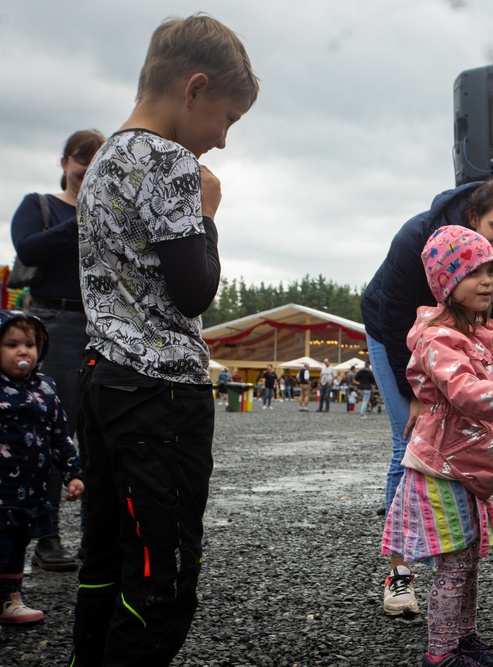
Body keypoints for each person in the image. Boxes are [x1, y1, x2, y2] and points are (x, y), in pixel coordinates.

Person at [71, 13, 258, 666]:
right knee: (163, 578)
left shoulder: (101, 163)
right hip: (161, 394)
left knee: (104, 560)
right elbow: (193, 290)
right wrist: (206, 216)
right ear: (194, 89)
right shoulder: (175, 163)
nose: (223, 141)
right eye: (227, 119)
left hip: (102, 380)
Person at [361, 172, 493, 616]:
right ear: (474, 214)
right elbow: (395, 316)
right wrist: (417, 394)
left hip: (462, 339)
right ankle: (399, 574)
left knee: (470, 436)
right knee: (412, 443)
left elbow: (490, 337)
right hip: (395, 330)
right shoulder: (416, 236)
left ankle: (457, 546)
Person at [382, 226, 493, 666]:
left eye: (492, 271)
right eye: (475, 272)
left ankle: (464, 636)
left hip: (469, 467)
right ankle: (442, 652)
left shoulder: (484, 336)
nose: (490, 281)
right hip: (440, 466)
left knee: (469, 561)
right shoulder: (438, 338)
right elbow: (466, 393)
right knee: (454, 565)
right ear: (446, 282)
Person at [9, 128, 105, 571]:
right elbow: (26, 247)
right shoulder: (39, 205)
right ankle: (47, 540)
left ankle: (95, 537)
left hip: (100, 323)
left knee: (99, 433)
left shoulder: (108, 213)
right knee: (50, 431)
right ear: (65, 163)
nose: (86, 169)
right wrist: (82, 221)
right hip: (53, 323)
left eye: (96, 161)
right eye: (81, 159)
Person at [0, 312, 84, 627]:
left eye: (30, 345)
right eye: (12, 344)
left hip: (30, 491)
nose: (23, 352)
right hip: (1, 491)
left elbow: (60, 436)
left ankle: (10, 599)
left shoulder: (46, 389)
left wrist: (73, 473)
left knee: (17, 546)